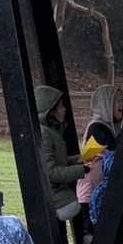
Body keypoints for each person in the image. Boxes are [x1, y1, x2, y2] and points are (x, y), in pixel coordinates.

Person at [33, 86, 88, 222]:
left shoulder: (51, 132)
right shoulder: (45, 134)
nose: (64, 109)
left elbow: (60, 162)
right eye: (61, 106)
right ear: (51, 111)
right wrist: (83, 170)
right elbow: (50, 172)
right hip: (57, 199)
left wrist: (82, 159)